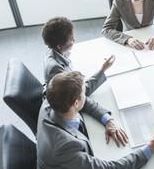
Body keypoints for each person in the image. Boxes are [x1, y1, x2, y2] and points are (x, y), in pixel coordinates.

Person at [36, 71, 154, 169]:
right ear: (75, 104)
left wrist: (107, 120)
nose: (86, 94)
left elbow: (85, 102)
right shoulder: (63, 146)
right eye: (84, 92)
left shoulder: (51, 101)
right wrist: (150, 148)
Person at [42, 16, 127, 147]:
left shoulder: (53, 52)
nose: (74, 41)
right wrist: (102, 71)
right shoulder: (55, 68)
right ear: (59, 46)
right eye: (71, 39)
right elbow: (80, 94)